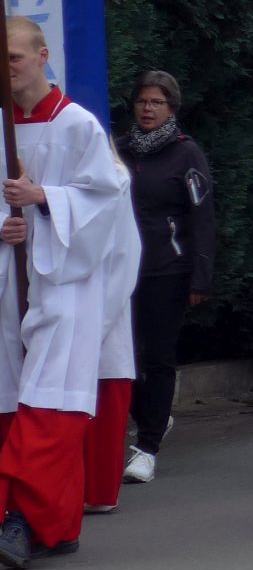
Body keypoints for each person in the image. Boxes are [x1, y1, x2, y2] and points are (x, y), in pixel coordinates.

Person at [0, 20, 125, 570]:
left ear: (42, 55)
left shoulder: (77, 125)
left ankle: (21, 520)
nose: (8, 67)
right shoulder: (0, 125)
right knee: (11, 399)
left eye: (14, 56)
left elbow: (107, 203)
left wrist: (44, 199)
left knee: (48, 405)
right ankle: (57, 523)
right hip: (9, 281)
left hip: (66, 282)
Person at [118, 71, 216, 484]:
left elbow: (202, 216)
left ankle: (147, 447)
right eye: (142, 101)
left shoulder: (186, 153)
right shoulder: (119, 150)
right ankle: (153, 416)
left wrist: (200, 276)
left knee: (157, 356)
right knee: (122, 357)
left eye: (156, 102)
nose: (147, 109)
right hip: (122, 269)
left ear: (171, 108)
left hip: (167, 269)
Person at [82, 156, 143, 515]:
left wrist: (98, 322)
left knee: (103, 396)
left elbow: (124, 255)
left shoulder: (115, 176)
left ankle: (98, 488)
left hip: (103, 308)